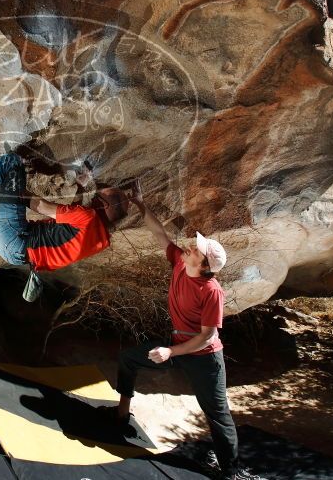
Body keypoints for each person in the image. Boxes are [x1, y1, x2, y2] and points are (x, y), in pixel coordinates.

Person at [109, 183, 256, 480]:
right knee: (128, 359)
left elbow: (207, 336)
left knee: (217, 414)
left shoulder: (212, 291)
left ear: (204, 266)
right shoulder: (179, 262)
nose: (191, 247)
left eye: (196, 251)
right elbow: (158, 233)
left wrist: (170, 352)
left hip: (204, 357)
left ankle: (231, 472)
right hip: (176, 345)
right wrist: (140, 204)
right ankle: (121, 416)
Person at [0, 152, 130, 299]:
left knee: (10, 164)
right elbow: (68, 221)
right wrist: (79, 185)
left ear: (105, 204)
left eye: (101, 193)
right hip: (16, 255)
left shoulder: (87, 218)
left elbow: (41, 206)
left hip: (17, 238)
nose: (97, 192)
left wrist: (19, 189)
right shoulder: (97, 239)